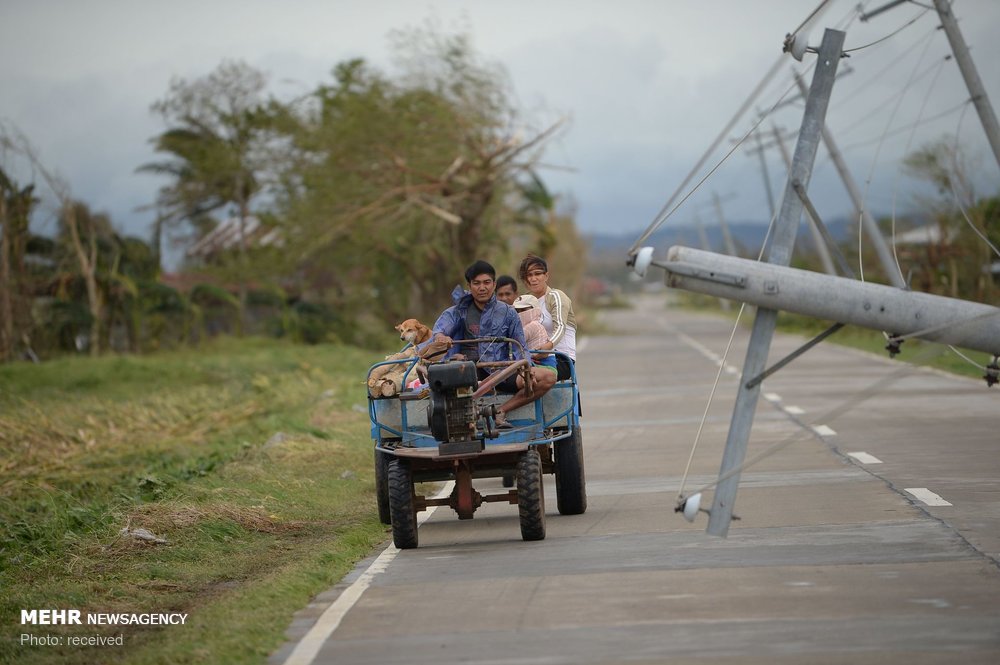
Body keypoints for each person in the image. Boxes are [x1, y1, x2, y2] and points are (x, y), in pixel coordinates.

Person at [428, 260, 556, 427]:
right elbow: (439, 330)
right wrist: (441, 337)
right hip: (466, 371)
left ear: (494, 284)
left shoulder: (508, 312)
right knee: (451, 369)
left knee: (548, 377)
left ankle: (501, 411)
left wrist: (526, 367)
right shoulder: (459, 311)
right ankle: (459, 419)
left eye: (487, 282)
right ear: (470, 285)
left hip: (501, 371)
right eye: (477, 283)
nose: (482, 288)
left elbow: (520, 346)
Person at [518, 254, 577, 381]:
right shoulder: (526, 301)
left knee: (527, 374)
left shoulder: (556, 296)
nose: (533, 279)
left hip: (560, 358)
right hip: (532, 357)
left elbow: (561, 326)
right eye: (529, 275)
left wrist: (547, 347)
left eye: (537, 274)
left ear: (546, 276)